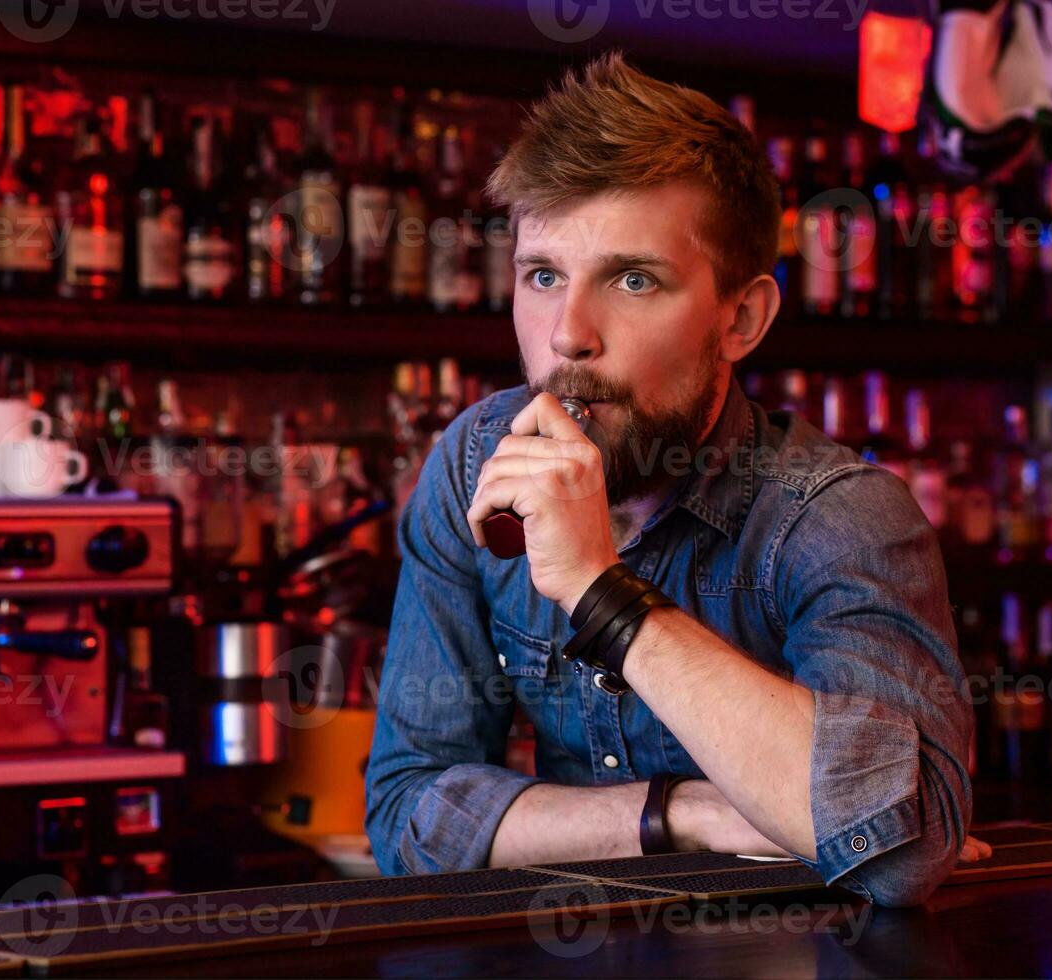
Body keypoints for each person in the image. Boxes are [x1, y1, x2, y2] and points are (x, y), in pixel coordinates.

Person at [364, 52, 991, 908]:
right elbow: (405, 817)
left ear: (741, 319)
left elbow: (901, 849)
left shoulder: (835, 515)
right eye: (543, 276)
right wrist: (681, 816)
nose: (568, 338)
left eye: (632, 279)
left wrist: (599, 590)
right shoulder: (473, 464)